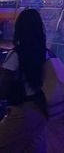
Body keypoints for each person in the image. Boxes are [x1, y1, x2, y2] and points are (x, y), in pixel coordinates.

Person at [0, 8, 48, 152]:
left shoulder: (16, 55)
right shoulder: (45, 53)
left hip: (22, 110)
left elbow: (3, 88)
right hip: (41, 108)